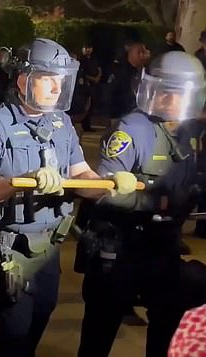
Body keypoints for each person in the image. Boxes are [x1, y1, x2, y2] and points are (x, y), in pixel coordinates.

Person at [0, 38, 138, 357]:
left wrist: (108, 183)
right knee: (11, 332)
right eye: (48, 79)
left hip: (49, 247)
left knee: (41, 315)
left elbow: (80, 176)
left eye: (60, 80)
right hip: (13, 248)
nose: (56, 87)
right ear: (24, 80)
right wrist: (23, 182)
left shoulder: (61, 123)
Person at [76, 51, 206, 357]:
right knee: (99, 334)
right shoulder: (131, 130)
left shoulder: (189, 131)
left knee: (170, 321)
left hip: (162, 246)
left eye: (176, 93)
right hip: (119, 248)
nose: (168, 99)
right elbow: (105, 190)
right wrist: (154, 200)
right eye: (164, 91)